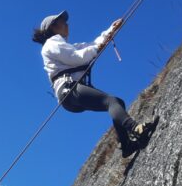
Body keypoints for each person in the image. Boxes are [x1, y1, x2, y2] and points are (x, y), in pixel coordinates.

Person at [32, 10, 158, 158]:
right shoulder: (52, 43)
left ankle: (127, 146)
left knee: (117, 102)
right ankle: (135, 128)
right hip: (70, 89)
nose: (66, 24)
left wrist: (111, 29)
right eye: (62, 21)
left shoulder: (63, 45)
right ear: (53, 27)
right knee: (111, 102)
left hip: (70, 94)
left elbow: (90, 45)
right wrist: (96, 48)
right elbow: (77, 57)